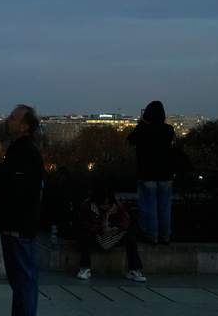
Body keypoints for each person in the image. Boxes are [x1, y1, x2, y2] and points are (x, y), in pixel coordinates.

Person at [0, 104, 44, 316]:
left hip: (17, 225)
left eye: (12, 118)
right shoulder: (24, 149)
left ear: (25, 126)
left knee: (22, 282)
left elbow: (14, 188)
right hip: (21, 224)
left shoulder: (22, 152)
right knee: (25, 281)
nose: (6, 120)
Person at [127, 100, 175, 245]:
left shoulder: (143, 129)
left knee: (148, 206)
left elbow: (131, 140)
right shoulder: (169, 129)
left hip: (147, 172)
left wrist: (141, 124)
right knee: (164, 206)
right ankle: (164, 235)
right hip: (166, 173)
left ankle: (151, 235)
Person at [75, 188, 146, 282]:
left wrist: (117, 228)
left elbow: (125, 220)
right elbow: (83, 223)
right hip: (94, 234)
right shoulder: (87, 205)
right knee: (85, 237)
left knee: (130, 237)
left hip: (112, 235)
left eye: (108, 203)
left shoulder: (117, 206)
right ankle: (84, 268)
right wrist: (100, 229)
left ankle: (134, 270)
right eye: (103, 202)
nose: (106, 205)